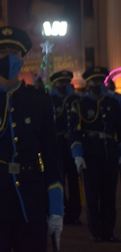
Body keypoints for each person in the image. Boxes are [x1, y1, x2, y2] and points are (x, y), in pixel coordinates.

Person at [0, 27, 63, 251]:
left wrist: (56, 208)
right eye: (1, 52)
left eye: (14, 52)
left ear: (22, 58)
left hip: (31, 202)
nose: (8, 58)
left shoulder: (39, 101)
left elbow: (52, 156)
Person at [69, 67, 121, 243]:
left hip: (109, 153)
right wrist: (77, 155)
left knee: (109, 195)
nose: (97, 84)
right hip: (90, 154)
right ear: (88, 83)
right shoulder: (80, 104)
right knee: (92, 196)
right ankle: (95, 232)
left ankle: (108, 231)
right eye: (94, 81)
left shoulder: (113, 103)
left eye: (100, 81)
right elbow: (74, 133)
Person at [49, 70, 81, 225]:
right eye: (60, 82)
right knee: (59, 179)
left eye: (66, 82)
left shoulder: (75, 100)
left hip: (73, 145)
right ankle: (60, 211)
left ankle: (74, 214)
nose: (63, 85)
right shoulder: (50, 100)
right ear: (55, 84)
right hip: (57, 144)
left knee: (74, 181)